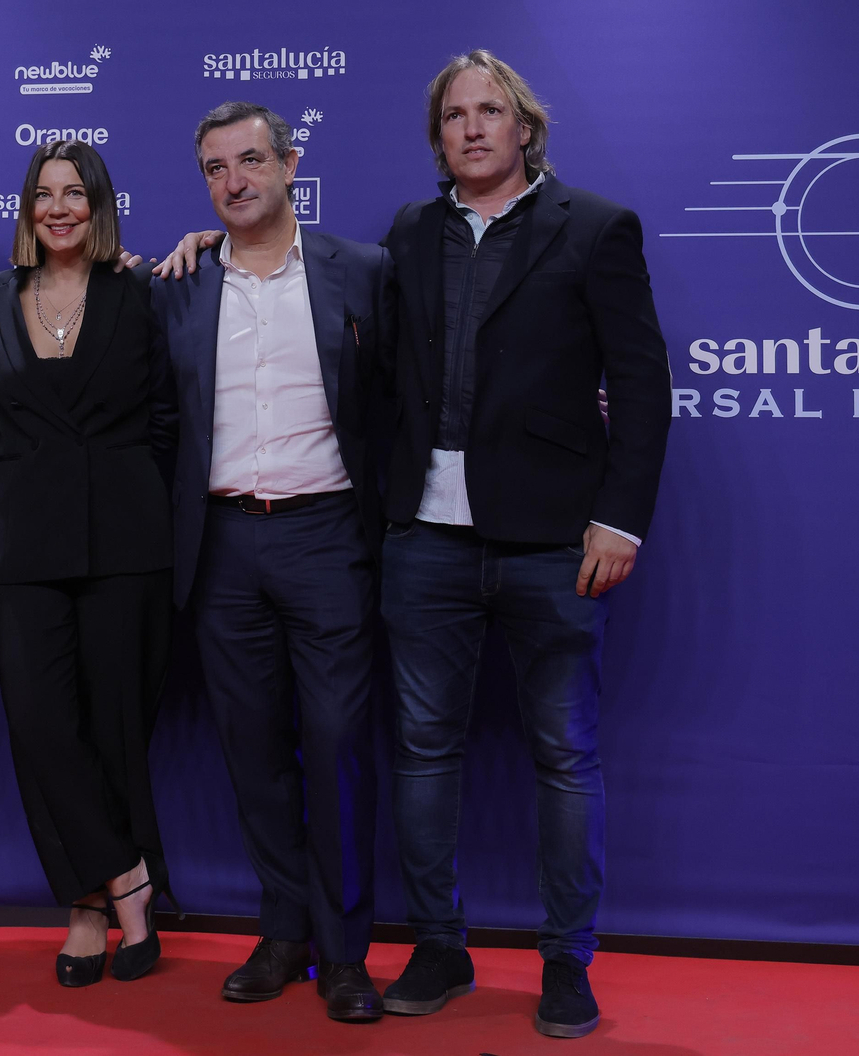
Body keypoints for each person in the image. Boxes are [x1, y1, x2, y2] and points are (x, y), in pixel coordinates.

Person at [374, 51, 672, 1038]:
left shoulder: (593, 229)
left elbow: (638, 385)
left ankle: (566, 959)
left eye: (488, 111)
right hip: (425, 540)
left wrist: (619, 518)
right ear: (438, 137)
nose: (470, 128)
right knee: (422, 754)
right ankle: (438, 943)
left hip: (554, 542)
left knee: (564, 755)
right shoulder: (409, 234)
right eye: (453, 115)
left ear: (524, 128)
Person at [149, 102, 390, 1022]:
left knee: (334, 748)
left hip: (329, 537)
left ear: (290, 164)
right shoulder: (181, 282)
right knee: (252, 752)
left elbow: (406, 402)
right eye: (216, 168)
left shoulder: (360, 273)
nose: (234, 181)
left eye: (251, 161)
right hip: (220, 548)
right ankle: (283, 929)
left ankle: (343, 953)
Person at [0, 140, 179, 987]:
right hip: (20, 546)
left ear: (98, 206)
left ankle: (88, 912)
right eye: (44, 194)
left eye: (75, 194)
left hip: (127, 541)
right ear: (26, 207)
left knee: (115, 726)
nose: (58, 208)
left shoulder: (140, 290)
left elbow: (166, 416)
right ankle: (125, 881)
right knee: (42, 726)